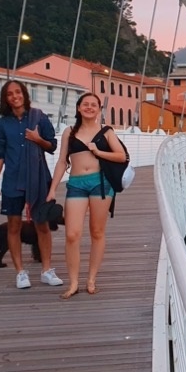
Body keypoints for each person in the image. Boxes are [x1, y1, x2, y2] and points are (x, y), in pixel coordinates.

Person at [47, 92, 127, 299]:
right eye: (85, 104)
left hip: (101, 183)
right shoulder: (69, 132)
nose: (89, 107)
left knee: (97, 232)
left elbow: (121, 156)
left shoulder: (106, 132)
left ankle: (91, 280)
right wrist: (53, 188)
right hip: (76, 184)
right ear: (78, 108)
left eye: (93, 105)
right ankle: (73, 283)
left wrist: (98, 152)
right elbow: (62, 161)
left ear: (99, 109)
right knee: (72, 234)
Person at [0, 80, 63, 290]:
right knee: (14, 226)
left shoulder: (39, 117)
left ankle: (46, 270)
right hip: (12, 180)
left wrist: (37, 139)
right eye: (10, 94)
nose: (15, 96)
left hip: (37, 180)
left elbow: (52, 146)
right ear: (5, 99)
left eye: (18, 92)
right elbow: (0, 154)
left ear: (24, 94)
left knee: (42, 224)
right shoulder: (2, 124)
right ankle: (20, 273)